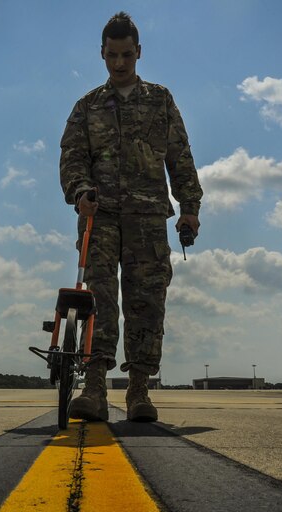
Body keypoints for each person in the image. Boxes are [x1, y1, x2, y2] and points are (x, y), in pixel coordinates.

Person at [60, 12, 202, 422]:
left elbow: (180, 155)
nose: (119, 64)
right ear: (102, 55)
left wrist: (189, 208)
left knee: (146, 303)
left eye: (126, 55)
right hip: (100, 217)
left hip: (147, 217)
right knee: (99, 301)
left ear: (138, 52)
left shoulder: (160, 100)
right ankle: (94, 389)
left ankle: (139, 391)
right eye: (111, 56)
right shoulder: (87, 106)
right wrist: (80, 192)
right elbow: (71, 158)